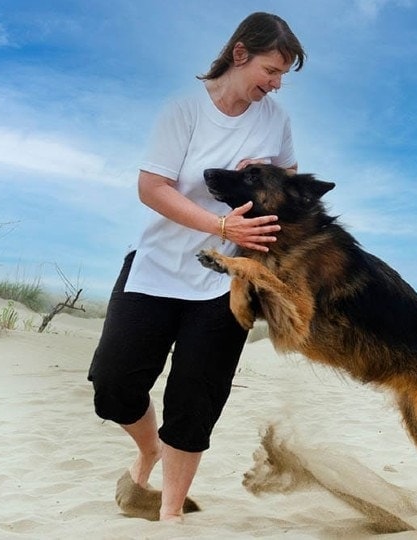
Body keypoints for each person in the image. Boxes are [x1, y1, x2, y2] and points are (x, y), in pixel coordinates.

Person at [87, 12, 305, 522]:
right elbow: (151, 187)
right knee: (114, 385)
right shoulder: (184, 110)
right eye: (271, 71)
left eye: (282, 77)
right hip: (157, 267)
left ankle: (170, 513)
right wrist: (221, 225)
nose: (275, 85)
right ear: (240, 54)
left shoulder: (276, 120)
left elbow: (289, 193)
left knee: (195, 398)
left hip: (226, 283)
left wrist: (265, 179)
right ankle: (148, 451)